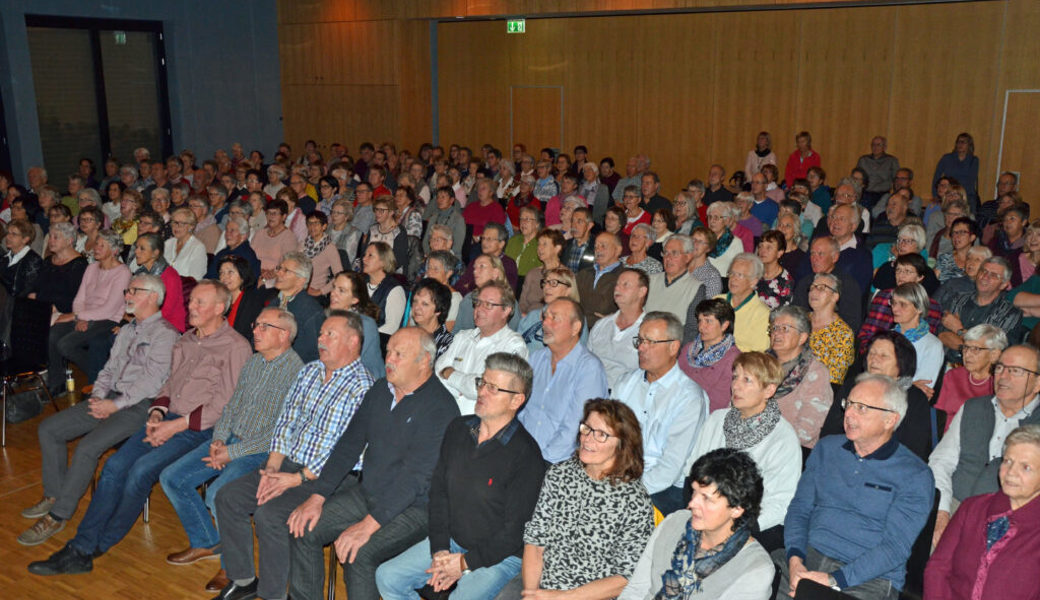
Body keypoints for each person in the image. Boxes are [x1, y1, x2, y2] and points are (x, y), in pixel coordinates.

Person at [28, 281, 252, 576]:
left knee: (138, 473)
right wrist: (158, 413)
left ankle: (91, 547)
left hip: (202, 429)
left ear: (219, 309)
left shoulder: (235, 346)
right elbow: (169, 384)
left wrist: (174, 426)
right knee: (113, 467)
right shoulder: (186, 340)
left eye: (200, 302)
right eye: (192, 301)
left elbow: (223, 404)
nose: (191, 307)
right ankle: (81, 547)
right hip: (169, 418)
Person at [277, 327, 459, 600]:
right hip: (370, 493)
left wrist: (368, 525)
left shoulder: (440, 408)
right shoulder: (380, 391)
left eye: (399, 354)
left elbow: (415, 479)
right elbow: (349, 444)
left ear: (424, 362)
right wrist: (318, 495)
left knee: (358, 552)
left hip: (416, 508)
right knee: (303, 526)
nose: (389, 360)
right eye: (389, 352)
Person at [212, 311, 375, 600]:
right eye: (321, 333)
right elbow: (286, 421)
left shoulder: (363, 387)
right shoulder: (310, 371)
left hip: (328, 477)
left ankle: (273, 594)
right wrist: (272, 468)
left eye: (329, 335)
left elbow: (344, 451)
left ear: (353, 341)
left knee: (270, 517)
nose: (320, 340)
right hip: (286, 462)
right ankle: (244, 579)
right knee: (228, 497)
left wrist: (295, 479)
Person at [18, 275, 178, 547]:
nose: (127, 294)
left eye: (133, 290)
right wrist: (99, 396)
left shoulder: (166, 334)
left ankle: (58, 515)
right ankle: (54, 494)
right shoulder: (127, 330)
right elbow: (108, 369)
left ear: (152, 296)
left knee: (88, 447)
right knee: (50, 429)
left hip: (141, 406)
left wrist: (113, 405)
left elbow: (151, 382)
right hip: (110, 398)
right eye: (127, 290)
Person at [375, 353, 546, 600]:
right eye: (482, 383)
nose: (482, 392)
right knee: (388, 577)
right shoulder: (458, 429)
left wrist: (464, 563)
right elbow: (439, 494)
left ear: (516, 400)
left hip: (500, 556)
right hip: (454, 542)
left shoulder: (527, 456)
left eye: (493, 388)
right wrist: (440, 550)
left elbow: (514, 534)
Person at [159, 307, 304, 592]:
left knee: (217, 494)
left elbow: (280, 436)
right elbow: (232, 405)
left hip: (261, 452)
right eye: (256, 324)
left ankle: (233, 569)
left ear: (284, 335)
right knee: (172, 478)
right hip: (230, 442)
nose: (255, 331)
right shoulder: (253, 362)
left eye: (264, 327)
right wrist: (220, 440)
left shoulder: (296, 373)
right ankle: (206, 540)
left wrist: (231, 453)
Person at [777, 374, 934, 600]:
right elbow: (800, 509)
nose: (848, 413)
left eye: (861, 408)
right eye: (848, 404)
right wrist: (795, 561)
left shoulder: (915, 475)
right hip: (806, 559)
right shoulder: (827, 449)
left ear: (890, 420)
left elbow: (894, 549)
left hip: (867, 579)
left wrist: (834, 580)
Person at [495, 399, 654, 599]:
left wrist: (563, 597)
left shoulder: (635, 502)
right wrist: (531, 593)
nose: (587, 439)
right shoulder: (559, 475)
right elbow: (535, 543)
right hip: (541, 584)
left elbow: (624, 577)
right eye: (587, 428)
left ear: (623, 445)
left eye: (601, 435)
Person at [681, 352, 800, 554]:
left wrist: (729, 527)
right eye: (735, 377)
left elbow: (780, 503)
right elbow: (691, 472)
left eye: (747, 380)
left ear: (769, 390)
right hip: (703, 509)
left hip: (749, 525)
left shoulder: (784, 439)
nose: (736, 385)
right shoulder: (717, 420)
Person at [620, 448, 775, 600]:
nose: (692, 503)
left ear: (736, 509)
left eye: (706, 498)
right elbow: (636, 589)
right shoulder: (674, 522)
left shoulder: (755, 570)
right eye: (694, 491)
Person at [928, 344, 1040, 548]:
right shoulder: (974, 407)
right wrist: (942, 511)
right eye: (999, 368)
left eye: (1015, 371)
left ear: (1038, 382)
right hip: (955, 504)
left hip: (1011, 521)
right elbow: (941, 461)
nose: (1003, 376)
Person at [924, 424, 1040, 600]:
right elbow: (938, 568)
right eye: (1007, 461)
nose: (1011, 473)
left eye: (1026, 467)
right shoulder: (974, 508)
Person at [616, 312, 708, 514]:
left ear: (673, 347)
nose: (641, 347)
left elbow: (670, 467)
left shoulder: (689, 397)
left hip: (662, 489)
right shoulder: (626, 383)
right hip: (619, 475)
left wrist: (625, 492)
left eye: (650, 342)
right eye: (640, 340)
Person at [521, 297, 608, 464]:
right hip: (524, 452)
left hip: (558, 463)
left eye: (554, 318)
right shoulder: (536, 359)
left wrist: (540, 459)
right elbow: (521, 409)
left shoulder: (588, 368)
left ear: (575, 328)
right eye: (545, 317)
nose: (545, 323)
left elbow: (575, 428)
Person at [46, 229, 131, 391]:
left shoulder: (122, 273)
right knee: (53, 334)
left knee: (65, 345)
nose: (96, 248)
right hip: (85, 316)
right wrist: (80, 318)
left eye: (101, 246)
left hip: (107, 320)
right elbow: (80, 299)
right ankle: (56, 384)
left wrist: (76, 316)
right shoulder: (92, 268)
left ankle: (104, 376)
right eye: (96, 245)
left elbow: (109, 309)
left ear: (114, 250)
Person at [438, 281, 528, 415]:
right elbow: (439, 371)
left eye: (488, 304)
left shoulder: (514, 346)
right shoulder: (462, 337)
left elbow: (488, 388)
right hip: (446, 415)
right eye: (478, 303)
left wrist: (451, 374)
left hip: (481, 424)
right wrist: (462, 391)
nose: (479, 309)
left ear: (506, 311)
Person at [768, 305, 833, 452]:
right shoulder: (759, 363)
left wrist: (768, 443)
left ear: (802, 337)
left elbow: (807, 429)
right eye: (774, 328)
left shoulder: (816, 372)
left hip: (789, 449)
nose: (777, 333)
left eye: (784, 329)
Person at [939, 256, 1023, 363]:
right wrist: (972, 347)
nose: (985, 277)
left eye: (993, 275)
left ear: (1003, 285)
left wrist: (958, 330)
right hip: (944, 363)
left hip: (980, 374)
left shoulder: (1009, 313)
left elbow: (991, 352)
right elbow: (942, 335)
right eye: (983, 271)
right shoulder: (958, 299)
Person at [934, 323, 1006, 432]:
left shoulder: (1001, 385)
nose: (967, 354)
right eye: (965, 348)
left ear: (994, 355)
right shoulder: (953, 375)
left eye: (975, 349)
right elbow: (937, 414)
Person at [588, 268, 647, 391]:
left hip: (626, 396)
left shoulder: (648, 330)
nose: (617, 288)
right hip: (592, 389)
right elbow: (586, 361)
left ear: (642, 292)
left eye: (625, 285)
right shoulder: (601, 325)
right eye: (617, 285)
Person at [792, 236, 864, 333]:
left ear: (834, 257)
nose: (814, 259)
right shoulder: (805, 282)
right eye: (812, 253)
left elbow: (851, 323)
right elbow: (796, 315)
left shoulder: (847, 284)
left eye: (820, 254)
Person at [268, 252, 325, 363]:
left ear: (301, 280)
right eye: (279, 268)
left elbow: (314, 355)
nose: (279, 273)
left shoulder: (311, 311)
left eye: (286, 271)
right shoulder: (273, 303)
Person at [645, 235, 706, 338]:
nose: (668, 258)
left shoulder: (696, 288)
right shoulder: (649, 280)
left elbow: (691, 329)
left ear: (688, 257)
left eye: (675, 253)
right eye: (666, 253)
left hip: (672, 344)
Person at [328, 270, 385, 379]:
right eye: (334, 287)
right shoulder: (330, 316)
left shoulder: (365, 325)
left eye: (341, 290)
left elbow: (349, 365)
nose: (333, 293)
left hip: (366, 382)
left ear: (354, 300)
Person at [28, 222, 88, 319]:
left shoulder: (79, 265)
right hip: (40, 307)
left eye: (55, 237)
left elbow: (75, 298)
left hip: (61, 313)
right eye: (50, 237)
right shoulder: (48, 261)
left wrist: (50, 309)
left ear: (69, 240)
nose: (51, 241)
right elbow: (36, 286)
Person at [891, 282, 944, 389]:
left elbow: (923, 389)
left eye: (902, 304)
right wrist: (909, 384)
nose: (895, 309)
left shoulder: (932, 345)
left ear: (919, 308)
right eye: (893, 303)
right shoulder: (886, 337)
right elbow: (872, 376)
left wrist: (889, 382)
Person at [131, 232, 187, 332]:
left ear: (155, 253)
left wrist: (137, 325)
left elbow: (166, 311)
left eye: (142, 249)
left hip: (168, 327)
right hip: (144, 323)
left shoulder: (170, 276)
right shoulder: (140, 274)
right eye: (137, 247)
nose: (136, 252)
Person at [517, 266, 580, 354]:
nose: (546, 287)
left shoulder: (574, 319)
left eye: (554, 283)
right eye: (545, 282)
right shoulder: (533, 315)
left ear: (568, 290)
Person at [806, 272, 855, 386]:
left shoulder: (842, 333)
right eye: (812, 287)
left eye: (821, 288)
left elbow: (834, 380)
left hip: (816, 392)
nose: (813, 291)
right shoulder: (799, 320)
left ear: (835, 296)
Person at [454, 254, 520, 333]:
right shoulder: (468, 299)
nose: (475, 271)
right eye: (474, 268)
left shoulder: (506, 301)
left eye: (482, 266)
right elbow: (456, 332)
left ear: (495, 273)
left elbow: (512, 334)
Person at [719, 253, 770, 352]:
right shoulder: (717, 300)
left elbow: (758, 352)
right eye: (732, 273)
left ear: (753, 281)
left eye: (740, 275)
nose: (733, 279)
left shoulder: (762, 314)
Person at [576, 231, 624, 329]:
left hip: (606, 329)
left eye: (603, 246)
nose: (598, 250)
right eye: (596, 246)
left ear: (618, 250)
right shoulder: (584, 273)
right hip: (578, 327)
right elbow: (573, 300)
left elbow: (603, 307)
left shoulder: (624, 277)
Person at [361, 241, 405, 339]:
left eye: (370, 255)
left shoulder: (394, 289)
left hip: (377, 341)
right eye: (365, 255)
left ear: (383, 262)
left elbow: (392, 326)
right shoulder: (360, 282)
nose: (364, 259)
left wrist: (365, 336)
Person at [518, 228, 565, 317]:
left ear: (557, 248)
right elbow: (522, 304)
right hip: (528, 320)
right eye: (538, 244)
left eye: (544, 244)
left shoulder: (565, 275)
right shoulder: (532, 273)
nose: (540, 248)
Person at [252, 200, 300, 287]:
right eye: (268, 213)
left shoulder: (289, 237)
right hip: (254, 273)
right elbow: (250, 256)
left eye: (274, 213)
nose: (271, 216)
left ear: (284, 216)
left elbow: (287, 265)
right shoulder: (260, 233)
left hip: (275, 278)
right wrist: (259, 270)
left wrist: (269, 274)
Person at [408, 278, 455, 358]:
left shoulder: (447, 344)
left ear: (438, 310)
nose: (416, 308)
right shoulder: (407, 336)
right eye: (415, 301)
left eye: (425, 304)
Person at [932, 132, 980, 210]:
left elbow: (971, 181)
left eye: (963, 142)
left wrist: (959, 195)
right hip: (948, 194)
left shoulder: (973, 160)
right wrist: (935, 195)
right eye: (958, 142)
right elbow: (936, 177)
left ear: (969, 145)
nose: (960, 144)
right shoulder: (947, 158)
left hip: (966, 195)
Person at [0, 218, 44, 298]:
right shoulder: (4, 258)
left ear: (25, 239)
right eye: (8, 233)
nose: (8, 237)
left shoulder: (33, 261)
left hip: (17, 305)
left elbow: (27, 291)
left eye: (14, 234)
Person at [756, 229, 793, 309]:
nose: (762, 251)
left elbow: (782, 313)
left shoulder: (786, 281)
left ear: (780, 253)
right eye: (760, 246)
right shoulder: (752, 272)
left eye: (769, 247)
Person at [935, 216, 979, 283]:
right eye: (954, 232)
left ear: (972, 237)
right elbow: (933, 283)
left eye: (962, 232)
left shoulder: (979, 260)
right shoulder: (944, 258)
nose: (956, 236)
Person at [504, 205, 543, 278]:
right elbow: (504, 264)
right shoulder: (513, 240)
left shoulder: (541, 243)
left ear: (537, 224)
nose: (523, 222)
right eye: (521, 219)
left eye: (527, 219)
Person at [704, 201, 743, 274]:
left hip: (722, 281)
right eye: (710, 217)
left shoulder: (736, 243)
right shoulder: (703, 238)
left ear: (726, 220)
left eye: (716, 217)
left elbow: (738, 268)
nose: (712, 221)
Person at [687, 226, 723, 297]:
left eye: (700, 242)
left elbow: (708, 305)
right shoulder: (680, 266)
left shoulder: (712, 276)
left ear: (708, 248)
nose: (695, 244)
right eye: (693, 239)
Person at [327, 198, 363, 268]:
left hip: (343, 269)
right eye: (333, 212)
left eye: (339, 213)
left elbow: (349, 259)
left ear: (347, 216)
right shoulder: (326, 228)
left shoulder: (353, 232)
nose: (334, 215)